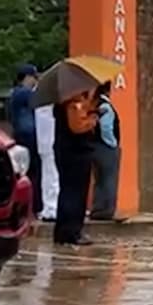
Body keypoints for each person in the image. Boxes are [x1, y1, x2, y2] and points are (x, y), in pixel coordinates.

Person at [53, 89, 99, 246]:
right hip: (76, 153)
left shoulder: (66, 103)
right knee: (75, 194)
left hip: (69, 151)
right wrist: (92, 120)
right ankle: (71, 232)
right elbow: (77, 127)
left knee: (68, 191)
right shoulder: (72, 104)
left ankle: (63, 231)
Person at [7, 64, 43, 215]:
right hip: (29, 136)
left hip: (21, 134)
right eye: (34, 77)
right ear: (27, 77)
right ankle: (34, 205)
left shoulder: (14, 93)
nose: (35, 81)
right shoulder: (24, 93)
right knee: (33, 172)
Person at [90, 82, 121, 221]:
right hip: (105, 148)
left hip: (94, 148)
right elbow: (106, 127)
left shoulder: (93, 104)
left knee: (99, 179)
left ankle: (97, 208)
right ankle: (107, 210)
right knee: (109, 179)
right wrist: (113, 144)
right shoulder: (105, 106)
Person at [35, 104, 59, 221]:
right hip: (51, 143)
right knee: (52, 176)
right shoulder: (47, 102)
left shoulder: (41, 100)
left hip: (45, 143)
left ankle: (51, 207)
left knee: (49, 176)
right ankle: (51, 208)